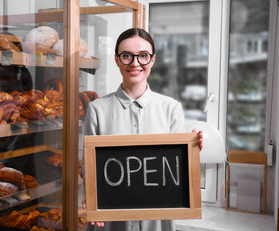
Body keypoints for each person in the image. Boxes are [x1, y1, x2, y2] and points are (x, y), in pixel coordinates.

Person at [83, 28, 202, 231]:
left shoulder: (171, 108)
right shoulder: (96, 109)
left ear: (152, 60)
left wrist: (192, 153)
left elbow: (175, 170)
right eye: (127, 56)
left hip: (157, 222)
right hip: (111, 221)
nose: (135, 63)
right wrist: (92, 199)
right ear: (117, 60)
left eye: (143, 56)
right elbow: (89, 167)